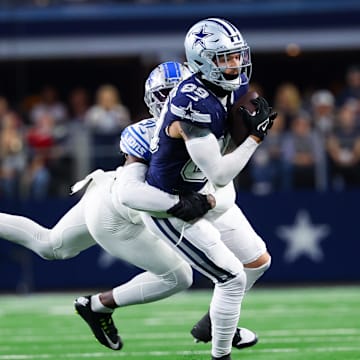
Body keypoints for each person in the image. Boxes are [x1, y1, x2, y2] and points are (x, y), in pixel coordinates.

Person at [0, 62, 208, 350]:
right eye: (166, 94)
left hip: (105, 193)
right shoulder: (155, 134)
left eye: (177, 92)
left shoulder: (201, 130)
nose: (173, 100)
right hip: (118, 212)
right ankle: (98, 305)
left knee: (50, 245)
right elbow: (136, 193)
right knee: (180, 276)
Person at [117, 18, 276, 360]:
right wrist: (253, 139)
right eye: (225, 58)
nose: (235, 65)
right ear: (202, 60)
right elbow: (220, 173)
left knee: (258, 261)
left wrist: (240, 127)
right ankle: (221, 354)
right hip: (172, 208)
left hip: (201, 191)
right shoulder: (191, 105)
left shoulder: (220, 87)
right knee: (231, 279)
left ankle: (213, 322)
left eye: (236, 56)